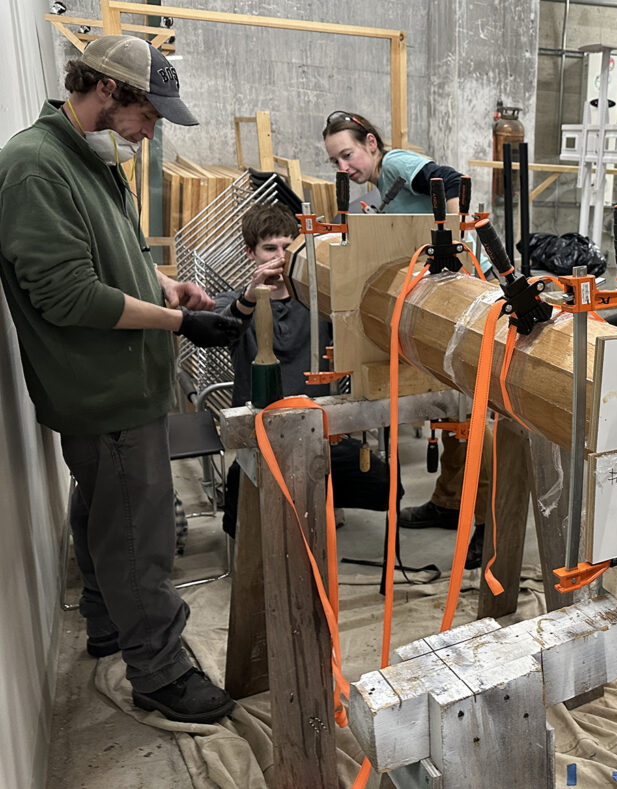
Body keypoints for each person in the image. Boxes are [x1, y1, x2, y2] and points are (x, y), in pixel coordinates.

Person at [0, 35, 243, 724]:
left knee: (103, 509)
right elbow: (69, 295)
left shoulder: (87, 158)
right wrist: (177, 327)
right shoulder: (35, 166)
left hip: (114, 382)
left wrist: (168, 286)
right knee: (139, 534)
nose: (153, 127)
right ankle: (160, 674)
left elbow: (110, 258)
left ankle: (108, 623)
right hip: (102, 388)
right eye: (150, 113)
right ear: (108, 90)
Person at [322, 111, 489, 568]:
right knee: (455, 410)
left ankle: (490, 529)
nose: (344, 168)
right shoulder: (380, 192)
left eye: (348, 154)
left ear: (371, 143)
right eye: (335, 161)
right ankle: (450, 503)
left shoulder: (395, 163)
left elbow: (451, 180)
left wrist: (452, 239)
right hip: (441, 299)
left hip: (468, 293)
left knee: (479, 420)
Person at [216, 203, 395, 536]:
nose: (280, 256)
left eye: (287, 247)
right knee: (238, 525)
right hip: (260, 442)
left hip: (318, 435)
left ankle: (321, 500)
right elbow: (218, 327)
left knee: (387, 488)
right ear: (250, 253)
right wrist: (251, 298)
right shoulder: (234, 302)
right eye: (270, 248)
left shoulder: (319, 304)